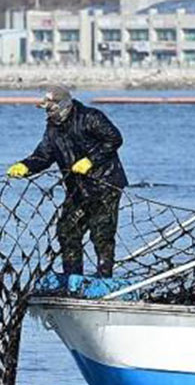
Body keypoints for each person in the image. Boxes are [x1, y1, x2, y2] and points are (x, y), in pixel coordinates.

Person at [7, 85, 127, 279]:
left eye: (51, 108)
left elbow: (114, 139)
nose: (48, 113)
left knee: (101, 234)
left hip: (105, 183)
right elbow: (44, 155)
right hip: (77, 189)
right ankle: (73, 277)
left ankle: (105, 278)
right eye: (46, 110)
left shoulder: (90, 117)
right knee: (67, 230)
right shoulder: (53, 128)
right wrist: (25, 166)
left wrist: (91, 160)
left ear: (64, 105)